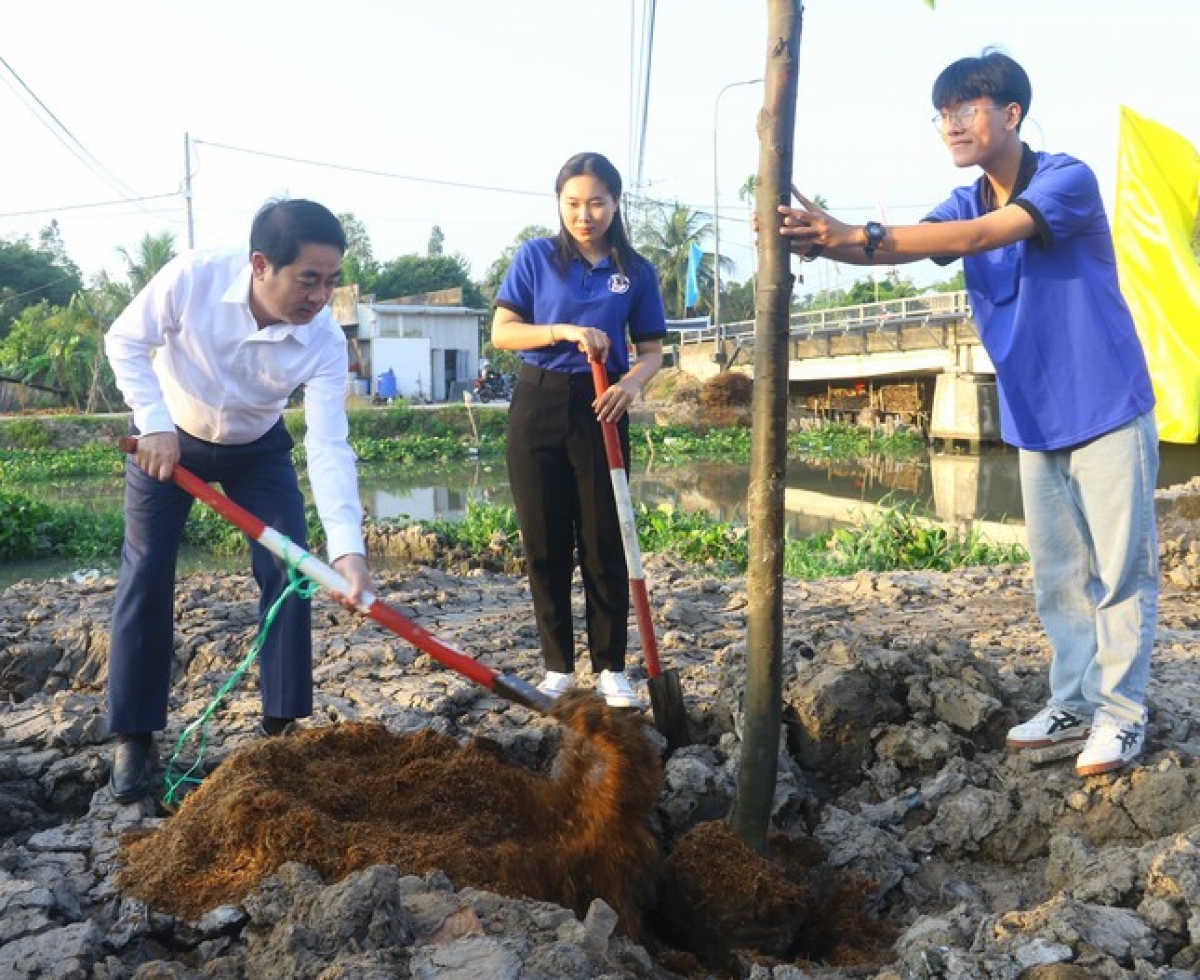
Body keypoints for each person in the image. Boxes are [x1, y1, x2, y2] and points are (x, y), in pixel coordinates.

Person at [778, 50, 1159, 777]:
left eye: (966, 109)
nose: (950, 124)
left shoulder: (1064, 179)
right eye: (943, 113)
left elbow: (979, 240)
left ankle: (1123, 713)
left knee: (1119, 573)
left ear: (1011, 114)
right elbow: (907, 249)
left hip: (1105, 404)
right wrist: (822, 239)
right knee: (1060, 575)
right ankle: (1074, 702)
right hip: (1034, 416)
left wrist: (852, 232)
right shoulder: (965, 199)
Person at [103, 198, 374, 803]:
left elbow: (330, 445)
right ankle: (134, 735)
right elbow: (124, 340)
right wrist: (151, 423)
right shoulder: (192, 277)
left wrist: (349, 552)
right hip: (168, 443)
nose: (319, 297)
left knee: (290, 564)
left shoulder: (325, 340)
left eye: (330, 282)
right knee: (146, 570)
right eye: (309, 279)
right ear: (260, 264)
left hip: (257, 449)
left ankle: (280, 725)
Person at [491, 151, 666, 708]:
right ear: (559, 204)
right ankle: (558, 667)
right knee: (544, 544)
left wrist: (631, 384)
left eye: (595, 202)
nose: (584, 214)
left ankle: (611, 667)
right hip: (538, 401)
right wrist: (564, 331)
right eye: (572, 203)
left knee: (604, 540)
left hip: (602, 407)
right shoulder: (536, 257)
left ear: (615, 203)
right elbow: (503, 332)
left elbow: (653, 352)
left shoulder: (635, 273)